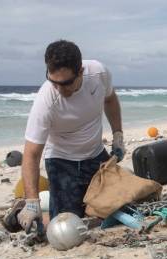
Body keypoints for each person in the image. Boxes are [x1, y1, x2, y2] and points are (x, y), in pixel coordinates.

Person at [17, 40, 125, 231]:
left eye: (66, 83)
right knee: (67, 226)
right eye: (54, 82)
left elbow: (110, 100)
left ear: (80, 72)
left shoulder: (99, 73)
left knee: (117, 211)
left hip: (96, 155)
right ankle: (18, 215)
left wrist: (118, 135)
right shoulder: (45, 101)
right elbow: (31, 154)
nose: (60, 89)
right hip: (62, 162)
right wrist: (32, 202)